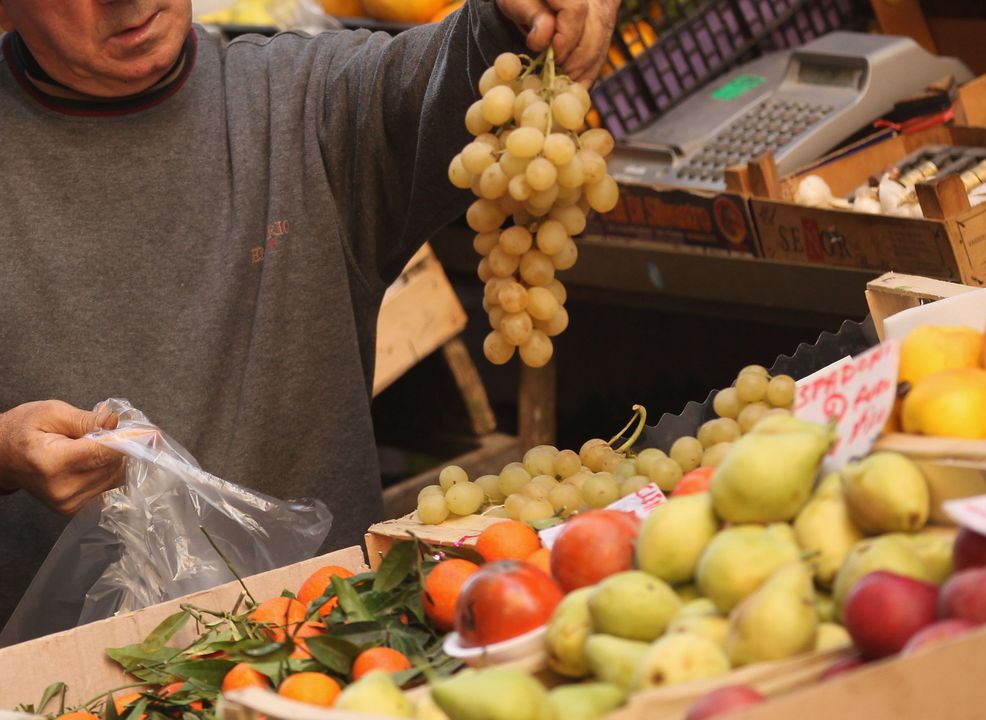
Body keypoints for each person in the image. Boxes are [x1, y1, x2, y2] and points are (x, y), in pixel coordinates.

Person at [0, 0, 618, 628]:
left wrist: (523, 18)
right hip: (61, 688)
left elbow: (456, 68)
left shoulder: (308, 105)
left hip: (328, 659)